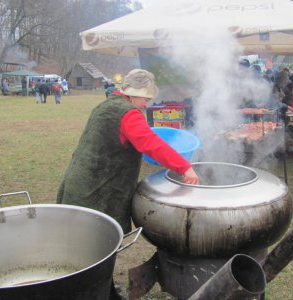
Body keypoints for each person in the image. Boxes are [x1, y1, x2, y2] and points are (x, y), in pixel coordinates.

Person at [56, 69, 199, 299]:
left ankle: (105, 290)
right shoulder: (129, 114)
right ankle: (95, 293)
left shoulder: (106, 106)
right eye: (145, 98)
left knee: (88, 245)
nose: (146, 103)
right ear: (132, 94)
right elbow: (152, 144)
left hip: (80, 181)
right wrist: (184, 166)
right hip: (98, 189)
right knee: (98, 245)